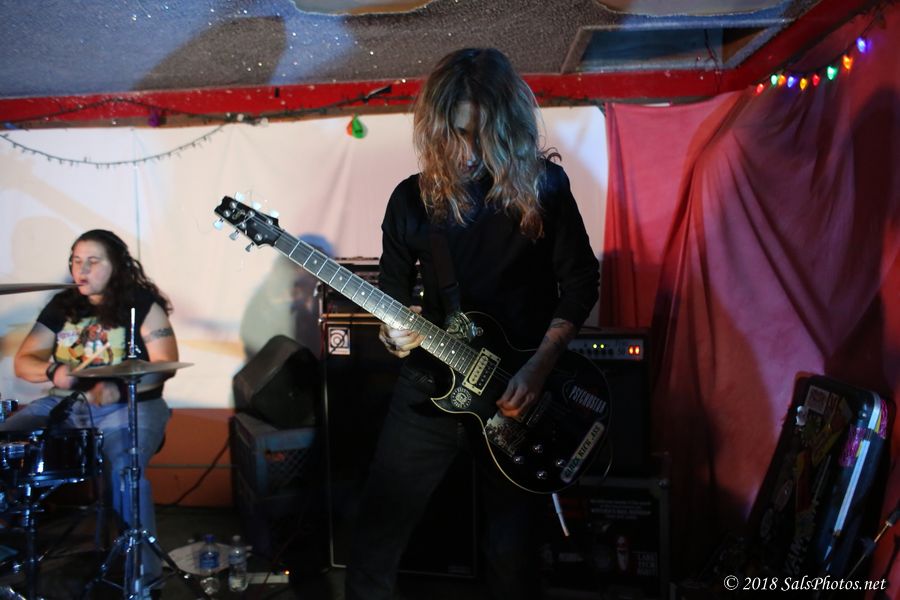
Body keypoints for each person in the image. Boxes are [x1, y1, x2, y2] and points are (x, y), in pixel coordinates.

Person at [345, 48, 600, 600]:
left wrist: (537, 370)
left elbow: (581, 283)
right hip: (429, 388)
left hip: (517, 391)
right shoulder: (410, 200)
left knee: (512, 554)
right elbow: (392, 303)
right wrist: (394, 334)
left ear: (505, 127)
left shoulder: (545, 187)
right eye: (456, 135)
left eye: (480, 135)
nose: (467, 151)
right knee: (375, 537)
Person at [6, 229, 177, 593]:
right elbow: (24, 361)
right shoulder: (62, 305)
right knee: (8, 443)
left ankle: (143, 580)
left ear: (116, 265)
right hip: (65, 404)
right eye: (75, 260)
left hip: (132, 406)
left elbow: (165, 363)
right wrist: (53, 371)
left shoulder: (141, 303)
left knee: (127, 471)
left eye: (92, 261)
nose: (80, 270)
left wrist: (119, 387)